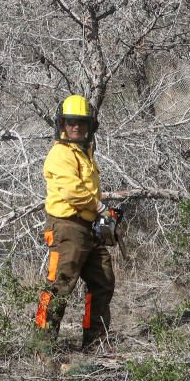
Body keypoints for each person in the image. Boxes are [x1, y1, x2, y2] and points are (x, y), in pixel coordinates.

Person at [34, 94, 115, 351]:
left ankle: (95, 344)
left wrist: (102, 216)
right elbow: (73, 192)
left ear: (90, 125)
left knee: (103, 281)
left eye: (81, 122)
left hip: (88, 227)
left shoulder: (85, 152)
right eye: (71, 122)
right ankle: (42, 345)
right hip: (66, 227)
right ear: (62, 124)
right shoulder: (60, 153)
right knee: (59, 285)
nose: (76, 127)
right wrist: (100, 207)